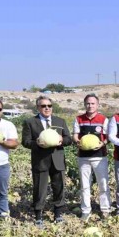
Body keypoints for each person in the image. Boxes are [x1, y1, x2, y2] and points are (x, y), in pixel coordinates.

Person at [22, 96, 73, 226]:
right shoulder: (30, 122)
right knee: (40, 189)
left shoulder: (60, 121)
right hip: (40, 161)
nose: (47, 108)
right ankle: (38, 215)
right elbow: (26, 142)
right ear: (38, 107)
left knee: (59, 187)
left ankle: (58, 214)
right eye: (43, 106)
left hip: (58, 160)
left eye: (49, 106)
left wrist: (62, 140)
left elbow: (69, 139)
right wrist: (37, 143)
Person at [72, 94, 110, 221]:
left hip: (100, 157)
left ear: (97, 105)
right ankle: (86, 210)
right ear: (85, 105)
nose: (90, 106)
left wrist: (102, 143)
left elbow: (108, 137)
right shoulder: (79, 119)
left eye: (93, 103)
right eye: (88, 103)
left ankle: (105, 209)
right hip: (83, 157)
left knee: (103, 184)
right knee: (84, 185)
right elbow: (75, 136)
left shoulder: (103, 119)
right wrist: (78, 143)